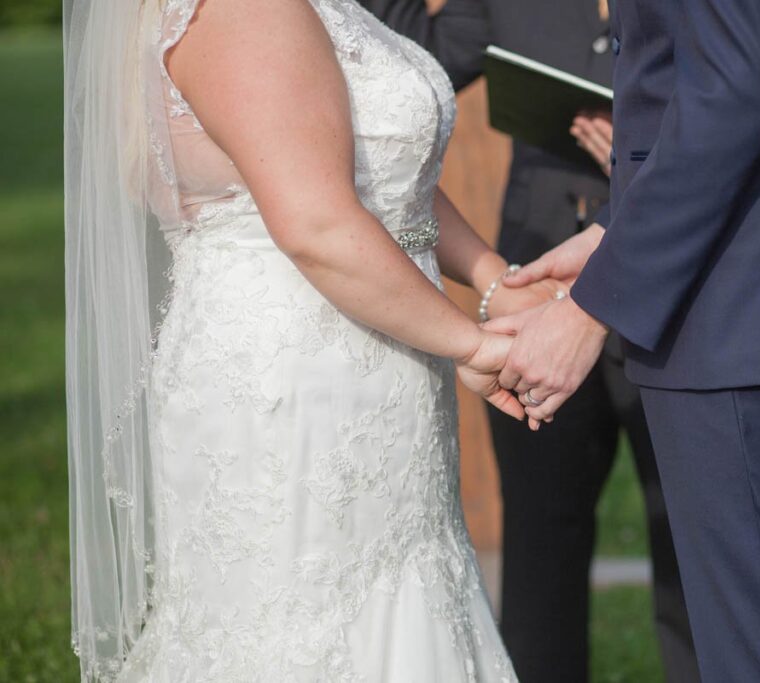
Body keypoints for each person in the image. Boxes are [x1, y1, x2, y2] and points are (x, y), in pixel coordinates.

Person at [63, 0, 568, 679]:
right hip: (300, 378)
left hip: (362, 352)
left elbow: (382, 171)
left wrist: (492, 283)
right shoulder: (247, 10)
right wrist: (472, 346)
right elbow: (319, 223)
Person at [496, 0, 760, 681]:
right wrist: (615, 232)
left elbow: (740, 81)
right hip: (733, 282)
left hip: (730, 299)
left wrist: (593, 310)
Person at [358, 2, 699, 681]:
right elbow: (405, 53)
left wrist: (648, 143)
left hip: (679, 296)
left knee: (693, 556)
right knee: (540, 552)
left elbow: (738, 94)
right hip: (533, 292)